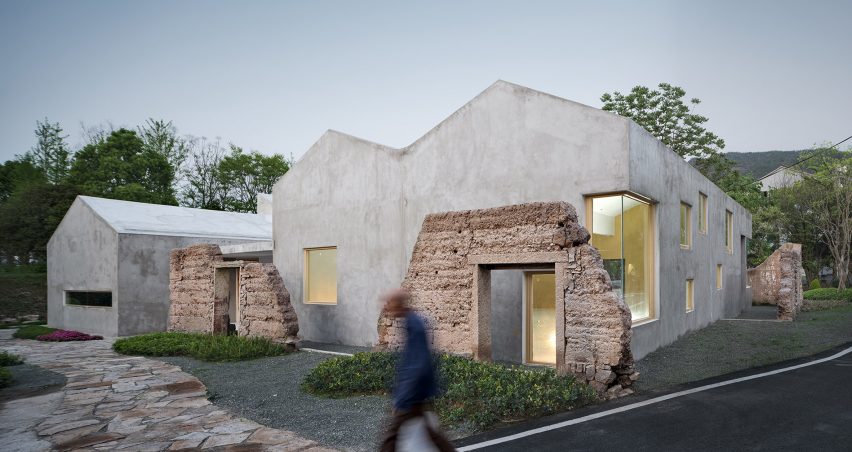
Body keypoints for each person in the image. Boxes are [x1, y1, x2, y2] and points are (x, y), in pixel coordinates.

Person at [380, 289, 455, 452]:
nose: (386, 307)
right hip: (418, 391)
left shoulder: (414, 325)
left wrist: (403, 397)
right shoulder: (411, 322)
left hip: (414, 393)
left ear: (398, 304)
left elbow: (418, 364)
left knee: (391, 436)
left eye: (389, 303)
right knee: (431, 434)